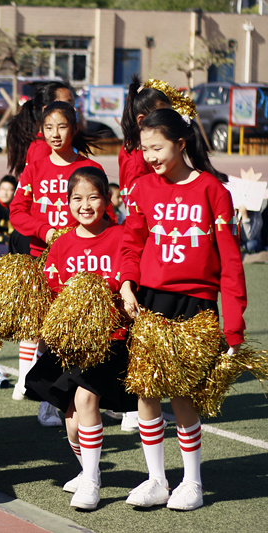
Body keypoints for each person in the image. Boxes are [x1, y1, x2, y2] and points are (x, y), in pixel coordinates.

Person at [119, 108, 247, 511]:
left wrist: (235, 326)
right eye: (145, 149)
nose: (150, 156)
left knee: (183, 394)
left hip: (196, 303)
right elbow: (131, 244)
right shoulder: (141, 188)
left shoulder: (213, 190)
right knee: (146, 390)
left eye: (157, 147)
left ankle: (192, 481)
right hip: (151, 301)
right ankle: (156, 478)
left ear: (181, 142)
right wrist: (125, 283)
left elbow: (230, 263)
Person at [25, 166, 138, 510]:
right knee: (72, 423)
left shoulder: (120, 235)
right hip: (72, 343)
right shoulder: (62, 243)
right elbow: (53, 288)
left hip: (111, 339)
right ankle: (86, 467)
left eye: (93, 197)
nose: (85, 205)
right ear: (67, 203)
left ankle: (92, 481)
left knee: (88, 402)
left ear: (107, 199)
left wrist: (126, 287)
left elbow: (131, 265)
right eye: (77, 198)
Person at [9, 101, 103, 426]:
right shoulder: (34, 166)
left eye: (61, 126)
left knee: (80, 333)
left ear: (73, 128)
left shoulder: (90, 167)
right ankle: (48, 401)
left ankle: (87, 397)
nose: (55, 134)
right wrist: (44, 230)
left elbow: (105, 213)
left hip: (82, 264)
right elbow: (17, 211)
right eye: (49, 128)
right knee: (46, 331)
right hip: (42, 261)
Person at [119, 75, 172, 213]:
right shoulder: (137, 159)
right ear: (141, 121)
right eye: (162, 117)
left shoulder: (134, 149)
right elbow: (138, 206)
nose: (168, 122)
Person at [6, 81, 76, 178]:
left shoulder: (60, 143)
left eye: (73, 104)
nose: (74, 109)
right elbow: (39, 189)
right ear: (46, 110)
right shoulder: (42, 149)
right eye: (68, 104)